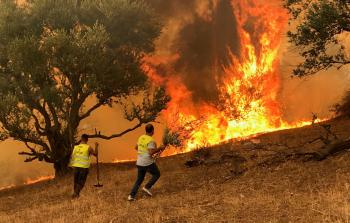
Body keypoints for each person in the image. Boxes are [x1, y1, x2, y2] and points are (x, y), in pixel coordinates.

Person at [128, 124, 165, 201]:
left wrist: (143, 151)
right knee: (157, 174)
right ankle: (147, 187)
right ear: (152, 131)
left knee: (139, 179)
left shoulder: (141, 137)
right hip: (147, 162)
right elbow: (151, 152)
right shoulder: (151, 140)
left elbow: (136, 147)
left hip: (139, 162)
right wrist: (160, 148)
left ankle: (131, 196)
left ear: (146, 130)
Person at [70, 134, 98, 198]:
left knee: (76, 181)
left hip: (76, 167)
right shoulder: (88, 147)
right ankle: (75, 193)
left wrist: (72, 165)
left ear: (81, 139)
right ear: (87, 140)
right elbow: (96, 154)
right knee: (81, 182)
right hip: (84, 167)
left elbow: (72, 157)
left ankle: (76, 195)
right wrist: (96, 146)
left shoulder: (76, 147)